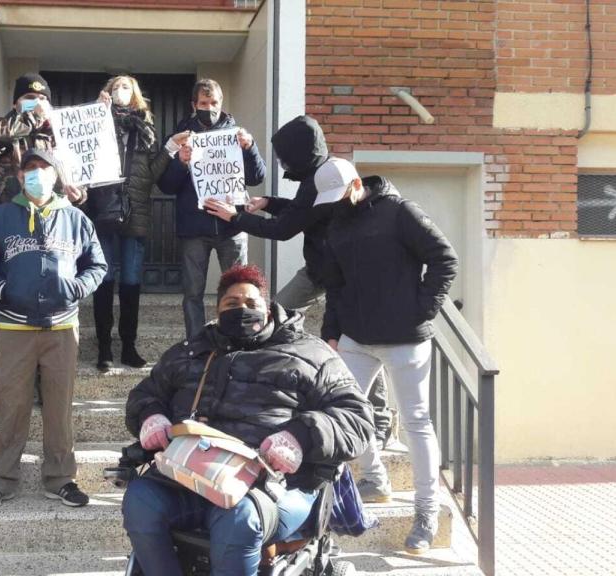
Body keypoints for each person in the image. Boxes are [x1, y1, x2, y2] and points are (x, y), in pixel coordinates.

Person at [122, 265, 374, 576]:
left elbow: (357, 417)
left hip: (272, 485)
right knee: (140, 500)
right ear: (217, 311)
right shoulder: (191, 352)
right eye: (231, 304)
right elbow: (145, 394)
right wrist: (151, 416)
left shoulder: (312, 354)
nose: (242, 309)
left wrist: (300, 436)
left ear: (267, 309)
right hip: (191, 477)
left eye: (251, 303)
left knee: (238, 519)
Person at [204, 115, 396, 450]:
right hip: (319, 268)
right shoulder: (314, 176)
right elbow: (301, 212)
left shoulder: (322, 178)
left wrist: (235, 217)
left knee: (355, 343)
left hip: (341, 276)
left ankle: (378, 421)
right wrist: (268, 203)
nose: (281, 163)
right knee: (277, 315)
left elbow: (283, 229)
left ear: (299, 152)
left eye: (284, 156)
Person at [315, 158, 458, 554]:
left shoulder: (401, 212)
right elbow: (335, 282)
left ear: (357, 183)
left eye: (340, 195)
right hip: (356, 338)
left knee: (416, 423)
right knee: (344, 413)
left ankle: (427, 514)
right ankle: (374, 479)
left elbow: (444, 258)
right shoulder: (337, 224)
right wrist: (331, 330)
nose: (335, 204)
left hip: (406, 338)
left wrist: (421, 308)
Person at [0, 148, 107, 510]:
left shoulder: (76, 218)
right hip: (14, 328)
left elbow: (98, 264)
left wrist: (77, 287)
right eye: (30, 168)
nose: (38, 174)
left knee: (60, 408)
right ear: (20, 174)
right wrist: (2, 289)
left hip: (62, 328)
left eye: (44, 168)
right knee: (11, 407)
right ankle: (1, 480)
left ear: (56, 175)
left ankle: (61, 479)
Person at [0, 73, 86, 411]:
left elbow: (74, 181)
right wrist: (27, 118)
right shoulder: (2, 128)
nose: (37, 103)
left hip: (50, 240)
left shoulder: (60, 137)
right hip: (6, 236)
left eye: (42, 99)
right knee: (4, 316)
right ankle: (2, 388)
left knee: (48, 316)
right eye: (28, 97)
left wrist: (76, 192)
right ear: (15, 102)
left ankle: (41, 385)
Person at [157, 78, 266, 340]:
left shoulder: (238, 134)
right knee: (193, 293)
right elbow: (166, 186)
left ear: (222, 103)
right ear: (194, 105)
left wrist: (250, 148)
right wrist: (180, 163)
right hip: (194, 229)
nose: (210, 107)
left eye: (214, 102)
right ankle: (196, 344)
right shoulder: (181, 137)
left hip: (232, 227)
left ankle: (234, 338)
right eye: (204, 103)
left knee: (238, 289)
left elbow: (257, 177)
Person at [87, 75, 162, 371]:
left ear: (135, 94)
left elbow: (154, 170)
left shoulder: (145, 126)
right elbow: (81, 155)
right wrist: (97, 113)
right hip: (103, 209)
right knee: (103, 280)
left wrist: (169, 153)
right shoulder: (97, 120)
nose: (120, 91)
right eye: (115, 87)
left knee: (131, 282)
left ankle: (128, 346)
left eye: (126, 87)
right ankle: (104, 348)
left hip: (136, 211)